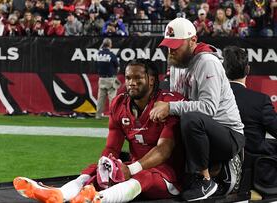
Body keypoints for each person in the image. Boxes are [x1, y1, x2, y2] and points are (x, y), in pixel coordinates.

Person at [13, 59, 185, 203]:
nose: (132, 83)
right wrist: (106, 164)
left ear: (152, 80)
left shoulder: (167, 103)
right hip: (134, 167)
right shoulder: (119, 104)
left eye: (138, 78)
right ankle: (60, 194)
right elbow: (112, 147)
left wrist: (131, 169)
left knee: (144, 176)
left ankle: (98, 198)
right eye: (128, 78)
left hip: (166, 175)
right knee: (96, 169)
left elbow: (164, 150)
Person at [150, 17, 245, 201]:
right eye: (168, 45)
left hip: (228, 134)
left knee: (190, 117)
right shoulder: (177, 63)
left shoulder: (207, 62)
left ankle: (205, 179)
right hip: (201, 133)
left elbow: (208, 108)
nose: (171, 50)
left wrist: (169, 107)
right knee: (172, 119)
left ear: (193, 40)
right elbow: (176, 99)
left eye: (176, 45)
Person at [222, 46, 277, 155]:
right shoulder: (260, 101)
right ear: (247, 69)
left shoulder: (212, 100)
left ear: (223, 70)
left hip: (221, 166)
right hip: (254, 168)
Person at [95, 38, 119, 119]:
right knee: (112, 98)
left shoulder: (99, 54)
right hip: (110, 79)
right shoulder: (111, 54)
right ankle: (112, 116)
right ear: (110, 45)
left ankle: (98, 115)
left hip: (101, 78)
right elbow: (117, 65)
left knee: (100, 98)